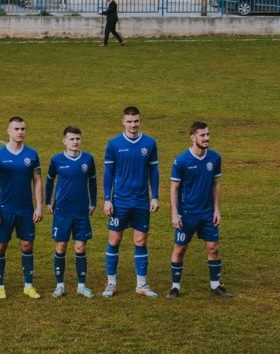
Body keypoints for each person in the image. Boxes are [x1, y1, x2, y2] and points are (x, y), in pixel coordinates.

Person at [102, 106, 160, 298]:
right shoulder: (114, 144)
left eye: (136, 121)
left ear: (140, 121)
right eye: (129, 121)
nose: (133, 125)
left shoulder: (150, 143)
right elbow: (108, 174)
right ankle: (111, 284)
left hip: (141, 201)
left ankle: (141, 285)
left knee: (141, 240)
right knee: (114, 239)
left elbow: (154, 172)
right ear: (123, 122)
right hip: (120, 201)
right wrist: (107, 200)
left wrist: (155, 196)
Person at [168, 122, 230, 298]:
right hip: (187, 213)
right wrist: (175, 213)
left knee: (213, 248)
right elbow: (174, 187)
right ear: (193, 137)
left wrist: (216, 210)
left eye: (208, 134)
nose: (206, 138)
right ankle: (175, 287)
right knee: (179, 250)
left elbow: (216, 185)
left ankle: (215, 285)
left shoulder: (215, 158)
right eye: (202, 135)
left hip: (207, 212)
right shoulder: (181, 160)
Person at [0, 117, 43, 300]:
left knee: (27, 245)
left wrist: (39, 206)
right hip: (5, 209)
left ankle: (28, 286)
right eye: (16, 129)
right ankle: (0, 286)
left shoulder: (32, 154)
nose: (20, 132)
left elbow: (37, 181)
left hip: (26, 209)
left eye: (23, 129)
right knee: (0, 246)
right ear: (8, 131)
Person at [44, 126, 97, 299]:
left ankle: (81, 286)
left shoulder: (88, 159)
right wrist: (48, 201)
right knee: (61, 246)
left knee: (80, 247)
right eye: (72, 139)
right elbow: (50, 180)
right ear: (64, 141)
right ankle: (60, 285)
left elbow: (93, 181)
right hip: (62, 211)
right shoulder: (57, 160)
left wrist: (94, 202)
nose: (75, 142)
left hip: (81, 211)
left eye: (78, 139)